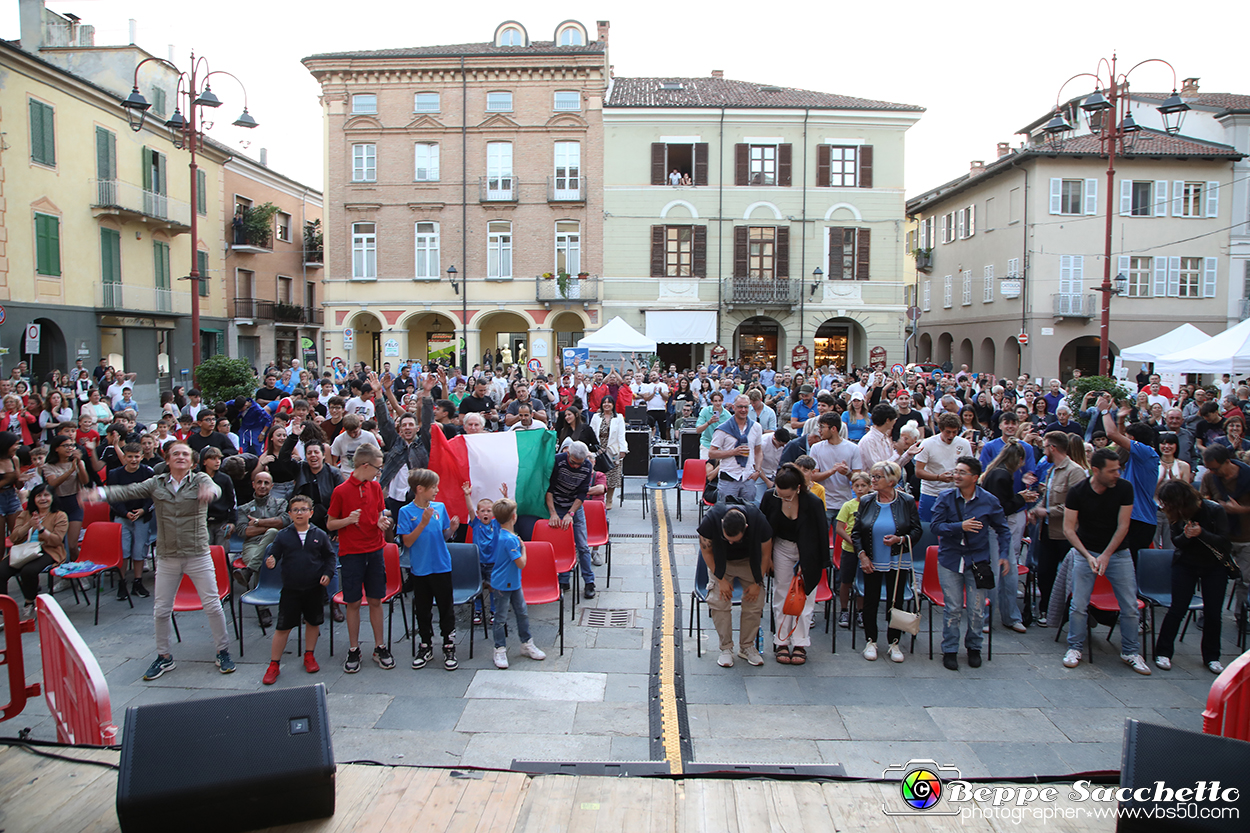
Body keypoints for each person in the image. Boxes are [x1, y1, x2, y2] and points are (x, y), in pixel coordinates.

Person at [87, 442, 237, 679]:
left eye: (185, 454)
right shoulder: (155, 483)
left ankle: (223, 651)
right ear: (167, 460)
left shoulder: (200, 480)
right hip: (167, 555)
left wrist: (211, 493)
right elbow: (128, 490)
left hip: (197, 553)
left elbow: (215, 488)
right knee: (161, 610)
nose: (180, 457)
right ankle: (164, 657)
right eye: (175, 453)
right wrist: (101, 493)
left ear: (192, 461)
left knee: (212, 605)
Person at [1060, 448, 1150, 675]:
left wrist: (1106, 555)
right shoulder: (1078, 492)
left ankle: (1130, 651)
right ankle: (1075, 647)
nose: (1117, 474)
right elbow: (1069, 529)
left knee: (1129, 605)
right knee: (1078, 604)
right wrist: (1088, 556)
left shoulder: (1124, 488)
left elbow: (1123, 526)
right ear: (1096, 470)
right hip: (1086, 551)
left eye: (1118, 469)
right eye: (1112, 471)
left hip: (1118, 553)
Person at [931, 457, 1012, 670]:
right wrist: (960, 526)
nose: (956, 475)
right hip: (950, 559)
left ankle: (974, 647)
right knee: (953, 608)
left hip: (978, 560)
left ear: (975, 477)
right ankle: (949, 649)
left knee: (976, 609)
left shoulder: (989, 501)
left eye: (962, 472)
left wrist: (1004, 554)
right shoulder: (945, 497)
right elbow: (936, 527)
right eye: (955, 471)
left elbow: (1003, 528)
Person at [328, 443, 396, 673]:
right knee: (353, 602)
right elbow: (330, 523)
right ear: (365, 465)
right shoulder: (341, 491)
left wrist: (381, 522)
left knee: (376, 599)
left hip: (375, 549)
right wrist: (348, 520)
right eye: (377, 467)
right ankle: (354, 648)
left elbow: (379, 514)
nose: (379, 472)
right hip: (352, 553)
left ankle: (380, 645)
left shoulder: (376, 488)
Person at [1153, 479, 1230, 675]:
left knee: (1213, 613)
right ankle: (1163, 651)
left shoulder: (1214, 510)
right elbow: (1176, 542)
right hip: (1186, 565)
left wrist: (1201, 533)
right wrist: (1187, 536)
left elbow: (1224, 542)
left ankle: (1212, 656)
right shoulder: (1177, 515)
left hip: (1214, 567)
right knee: (1177, 609)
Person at [851, 461, 923, 663]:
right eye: (872, 476)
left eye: (877, 477)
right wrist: (862, 555)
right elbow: (856, 533)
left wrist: (900, 540)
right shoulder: (866, 501)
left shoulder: (906, 501)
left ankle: (894, 642)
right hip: (872, 559)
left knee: (896, 601)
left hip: (897, 559)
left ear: (892, 481)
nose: (872, 480)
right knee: (870, 600)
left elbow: (917, 530)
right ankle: (871, 640)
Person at [260, 496, 335, 685]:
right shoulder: (283, 535)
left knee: (313, 622)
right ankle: (274, 663)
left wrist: (328, 573)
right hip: (291, 589)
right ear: (290, 514)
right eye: (296, 510)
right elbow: (273, 554)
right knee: (283, 627)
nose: (299, 513)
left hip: (313, 588)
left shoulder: (320, 534)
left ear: (311, 513)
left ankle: (309, 655)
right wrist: (271, 561)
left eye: (303, 509)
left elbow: (329, 557)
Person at [758, 463, 828, 665]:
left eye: (787, 496)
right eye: (780, 494)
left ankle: (800, 642)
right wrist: (766, 558)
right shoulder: (771, 498)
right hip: (781, 546)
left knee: (805, 596)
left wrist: (819, 562)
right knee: (781, 593)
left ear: (798, 488)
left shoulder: (813, 502)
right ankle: (781, 640)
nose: (783, 498)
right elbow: (763, 528)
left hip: (808, 550)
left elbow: (821, 533)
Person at [398, 469, 460, 671]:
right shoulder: (406, 512)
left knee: (446, 607)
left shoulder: (440, 508)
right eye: (433, 487)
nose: (437, 490)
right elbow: (407, 541)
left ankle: (448, 644)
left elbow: (443, 536)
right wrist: (423, 523)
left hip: (441, 565)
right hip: (421, 568)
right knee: (422, 609)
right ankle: (425, 644)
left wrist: (451, 529)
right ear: (420, 489)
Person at [697, 502, 773, 668]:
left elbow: (766, 555)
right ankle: (726, 648)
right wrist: (721, 579)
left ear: (746, 528)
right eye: (727, 539)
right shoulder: (710, 520)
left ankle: (747, 647)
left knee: (755, 600)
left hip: (749, 561)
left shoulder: (759, 521)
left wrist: (756, 582)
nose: (731, 543)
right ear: (722, 524)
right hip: (721, 561)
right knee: (719, 600)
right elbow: (706, 551)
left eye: (734, 540)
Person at [1028, 432, 1086, 625]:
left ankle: (1069, 613)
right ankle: (1046, 609)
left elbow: (1075, 505)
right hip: (1047, 532)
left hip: (1066, 534)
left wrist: (1048, 511)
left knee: (1070, 575)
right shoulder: (1052, 470)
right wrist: (1037, 510)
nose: (1044, 452)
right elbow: (1047, 496)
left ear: (1052, 448)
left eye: (1045, 447)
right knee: (1045, 572)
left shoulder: (1075, 471)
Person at [980, 443, 1036, 633]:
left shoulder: (996, 472)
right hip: (996, 529)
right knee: (998, 573)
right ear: (1019, 459)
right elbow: (1001, 508)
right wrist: (1021, 498)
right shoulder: (1001, 475)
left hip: (997, 530)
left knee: (1007, 572)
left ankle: (1008, 616)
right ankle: (992, 617)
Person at [487, 497, 547, 669]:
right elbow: (521, 563)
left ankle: (526, 643)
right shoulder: (511, 540)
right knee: (500, 618)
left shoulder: (498, 530)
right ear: (514, 517)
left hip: (512, 583)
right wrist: (524, 549)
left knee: (521, 612)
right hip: (504, 584)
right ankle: (499, 648)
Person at [1100, 401, 1160, 565]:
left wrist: (1105, 411)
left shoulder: (1146, 452)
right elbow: (1121, 443)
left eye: (1127, 437)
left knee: (1131, 569)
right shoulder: (1138, 455)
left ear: (1133, 440)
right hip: (1132, 518)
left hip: (1140, 521)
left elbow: (1112, 435)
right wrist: (1120, 421)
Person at [1198, 444, 1250, 628]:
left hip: (1246, 537)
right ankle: (1208, 613)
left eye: (1215, 468)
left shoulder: (1247, 475)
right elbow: (1202, 501)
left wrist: (1240, 509)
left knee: (1246, 580)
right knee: (1212, 577)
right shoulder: (1210, 477)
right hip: (1220, 536)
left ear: (1227, 462)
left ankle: (1242, 616)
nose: (1212, 471)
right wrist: (1214, 505)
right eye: (1209, 468)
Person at [0, 485, 68, 618]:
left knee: (29, 570)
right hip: (24, 550)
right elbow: (14, 537)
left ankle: (29, 601)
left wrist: (41, 528)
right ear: (33, 499)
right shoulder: (25, 514)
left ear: (52, 498)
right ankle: (3, 607)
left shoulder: (60, 516)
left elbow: (56, 541)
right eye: (39, 496)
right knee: (1, 571)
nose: (43, 499)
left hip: (47, 550)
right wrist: (29, 525)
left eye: (46, 495)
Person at [545, 441, 597, 598]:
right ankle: (563, 579)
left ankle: (589, 581)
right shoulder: (557, 461)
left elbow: (582, 493)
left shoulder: (586, 467)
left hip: (575, 506)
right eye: (573, 463)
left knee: (582, 545)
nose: (576, 466)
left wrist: (571, 513)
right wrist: (553, 513)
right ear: (568, 454)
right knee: (560, 545)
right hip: (556, 503)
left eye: (579, 464)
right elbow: (548, 488)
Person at [106, 442, 154, 600]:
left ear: (141, 456)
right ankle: (122, 582)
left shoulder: (147, 472)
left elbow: (152, 495)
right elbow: (112, 497)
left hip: (141, 516)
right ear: (124, 457)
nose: (134, 460)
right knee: (123, 550)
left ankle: (138, 582)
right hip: (122, 516)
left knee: (139, 551)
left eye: (136, 456)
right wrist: (125, 513)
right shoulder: (115, 474)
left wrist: (143, 510)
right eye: (130, 457)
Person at [914, 413, 973, 522]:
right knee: (928, 527)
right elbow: (918, 471)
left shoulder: (964, 444)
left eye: (954, 432)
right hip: (931, 492)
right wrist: (938, 477)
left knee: (953, 529)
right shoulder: (927, 443)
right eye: (948, 432)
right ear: (940, 429)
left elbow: (970, 467)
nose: (951, 435)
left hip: (955, 493)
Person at [41, 435, 89, 562]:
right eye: (66, 445)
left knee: (72, 545)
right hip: (57, 504)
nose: (70, 448)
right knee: (60, 545)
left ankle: (79, 573)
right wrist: (70, 471)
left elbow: (85, 481)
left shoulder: (77, 462)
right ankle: (64, 575)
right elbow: (52, 484)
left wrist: (79, 464)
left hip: (74, 503)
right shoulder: (48, 466)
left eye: (72, 445)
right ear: (56, 448)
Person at [709, 395, 764, 504]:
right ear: (733, 408)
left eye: (746, 407)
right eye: (740, 407)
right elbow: (711, 453)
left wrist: (757, 471)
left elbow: (758, 451)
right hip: (729, 478)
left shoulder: (756, 427)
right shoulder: (723, 429)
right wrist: (733, 452)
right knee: (727, 512)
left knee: (748, 513)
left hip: (748, 478)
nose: (743, 410)